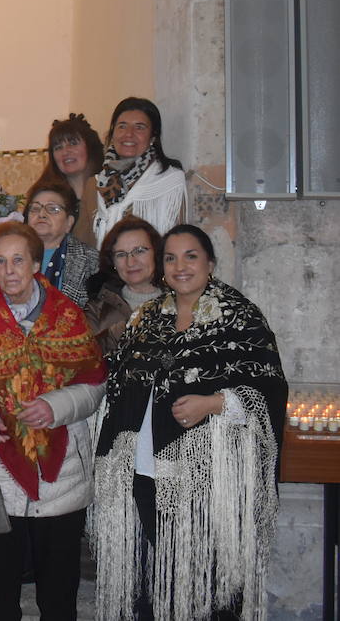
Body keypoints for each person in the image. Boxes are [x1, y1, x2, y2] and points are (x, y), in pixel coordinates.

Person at [94, 225, 287, 621]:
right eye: (170, 258)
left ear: (210, 263)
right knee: (148, 584)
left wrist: (215, 402)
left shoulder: (239, 314)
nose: (180, 266)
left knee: (209, 585)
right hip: (144, 470)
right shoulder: (147, 318)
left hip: (209, 480)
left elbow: (269, 389)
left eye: (191, 256)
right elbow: (120, 384)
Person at [0, 221, 107, 621]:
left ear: (35, 263)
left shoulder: (68, 315)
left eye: (18, 260)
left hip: (61, 477)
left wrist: (55, 406)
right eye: (0, 262)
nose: (10, 270)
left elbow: (95, 382)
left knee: (59, 598)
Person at [74, 97, 187, 248]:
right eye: (122, 126)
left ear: (153, 136)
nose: (129, 134)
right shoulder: (93, 185)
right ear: (113, 133)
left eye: (139, 127)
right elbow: (82, 246)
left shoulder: (170, 180)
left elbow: (178, 242)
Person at [84, 216, 164, 354]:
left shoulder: (178, 302)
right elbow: (85, 362)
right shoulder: (96, 310)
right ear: (112, 262)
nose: (130, 262)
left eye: (139, 251)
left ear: (156, 253)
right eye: (121, 254)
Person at [24, 178, 98, 309]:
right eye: (35, 208)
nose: (41, 214)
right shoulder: (11, 255)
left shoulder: (91, 260)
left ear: (69, 222)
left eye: (52, 209)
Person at [34, 113, 104, 218]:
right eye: (58, 147)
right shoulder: (45, 199)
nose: (65, 152)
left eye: (73, 143)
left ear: (90, 147)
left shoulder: (108, 192)